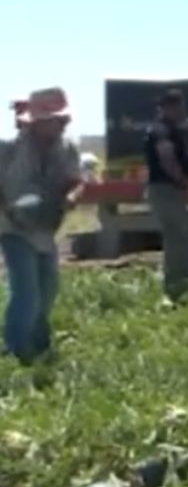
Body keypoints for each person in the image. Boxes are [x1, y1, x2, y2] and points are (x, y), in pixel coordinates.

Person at [0, 87, 83, 365]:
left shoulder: (67, 148)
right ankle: (17, 349)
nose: (61, 125)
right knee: (27, 291)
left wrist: (72, 196)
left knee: (48, 289)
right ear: (37, 122)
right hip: (14, 228)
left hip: (47, 228)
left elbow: (76, 180)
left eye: (62, 120)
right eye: (54, 120)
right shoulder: (9, 150)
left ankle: (38, 343)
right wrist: (8, 210)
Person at [145, 89, 188, 301]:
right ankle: (176, 282)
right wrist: (185, 183)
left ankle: (181, 280)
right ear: (168, 108)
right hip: (165, 190)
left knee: (179, 235)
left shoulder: (169, 129)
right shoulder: (162, 131)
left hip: (169, 190)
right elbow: (167, 160)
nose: (182, 110)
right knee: (176, 237)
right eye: (177, 106)